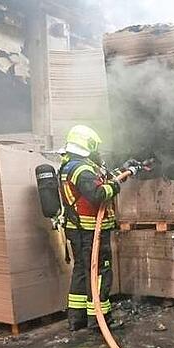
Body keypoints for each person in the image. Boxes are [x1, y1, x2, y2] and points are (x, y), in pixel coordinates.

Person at [59, 125, 119, 331]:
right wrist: (115, 186)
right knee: (99, 273)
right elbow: (98, 194)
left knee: (82, 272)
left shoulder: (71, 165)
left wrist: (121, 173)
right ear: (88, 144)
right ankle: (99, 320)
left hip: (79, 230)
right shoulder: (82, 169)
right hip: (90, 232)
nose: (97, 152)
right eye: (95, 147)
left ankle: (78, 319)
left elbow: (96, 185)